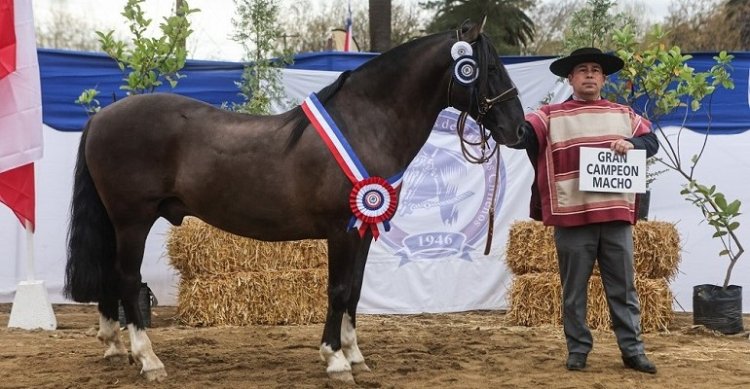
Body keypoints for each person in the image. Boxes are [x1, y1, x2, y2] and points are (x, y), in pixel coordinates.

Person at [508, 47, 659, 373]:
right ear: (570, 78)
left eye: (595, 70)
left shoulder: (625, 115)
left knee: (624, 289)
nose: (589, 74)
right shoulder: (549, 115)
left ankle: (633, 351)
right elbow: (521, 136)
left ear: (604, 79)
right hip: (573, 218)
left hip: (615, 216)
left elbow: (652, 143)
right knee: (573, 291)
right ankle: (578, 349)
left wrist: (632, 144)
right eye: (582, 70)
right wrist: (502, 117)